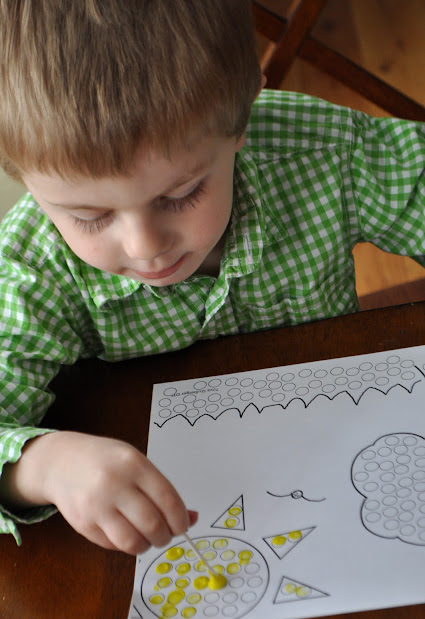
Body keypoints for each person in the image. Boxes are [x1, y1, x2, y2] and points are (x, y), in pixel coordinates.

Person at [0, 1, 424, 556]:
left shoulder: (322, 153)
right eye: (89, 216)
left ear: (242, 118)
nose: (145, 246)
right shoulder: (31, 268)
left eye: (180, 194)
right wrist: (44, 467)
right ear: (24, 178)